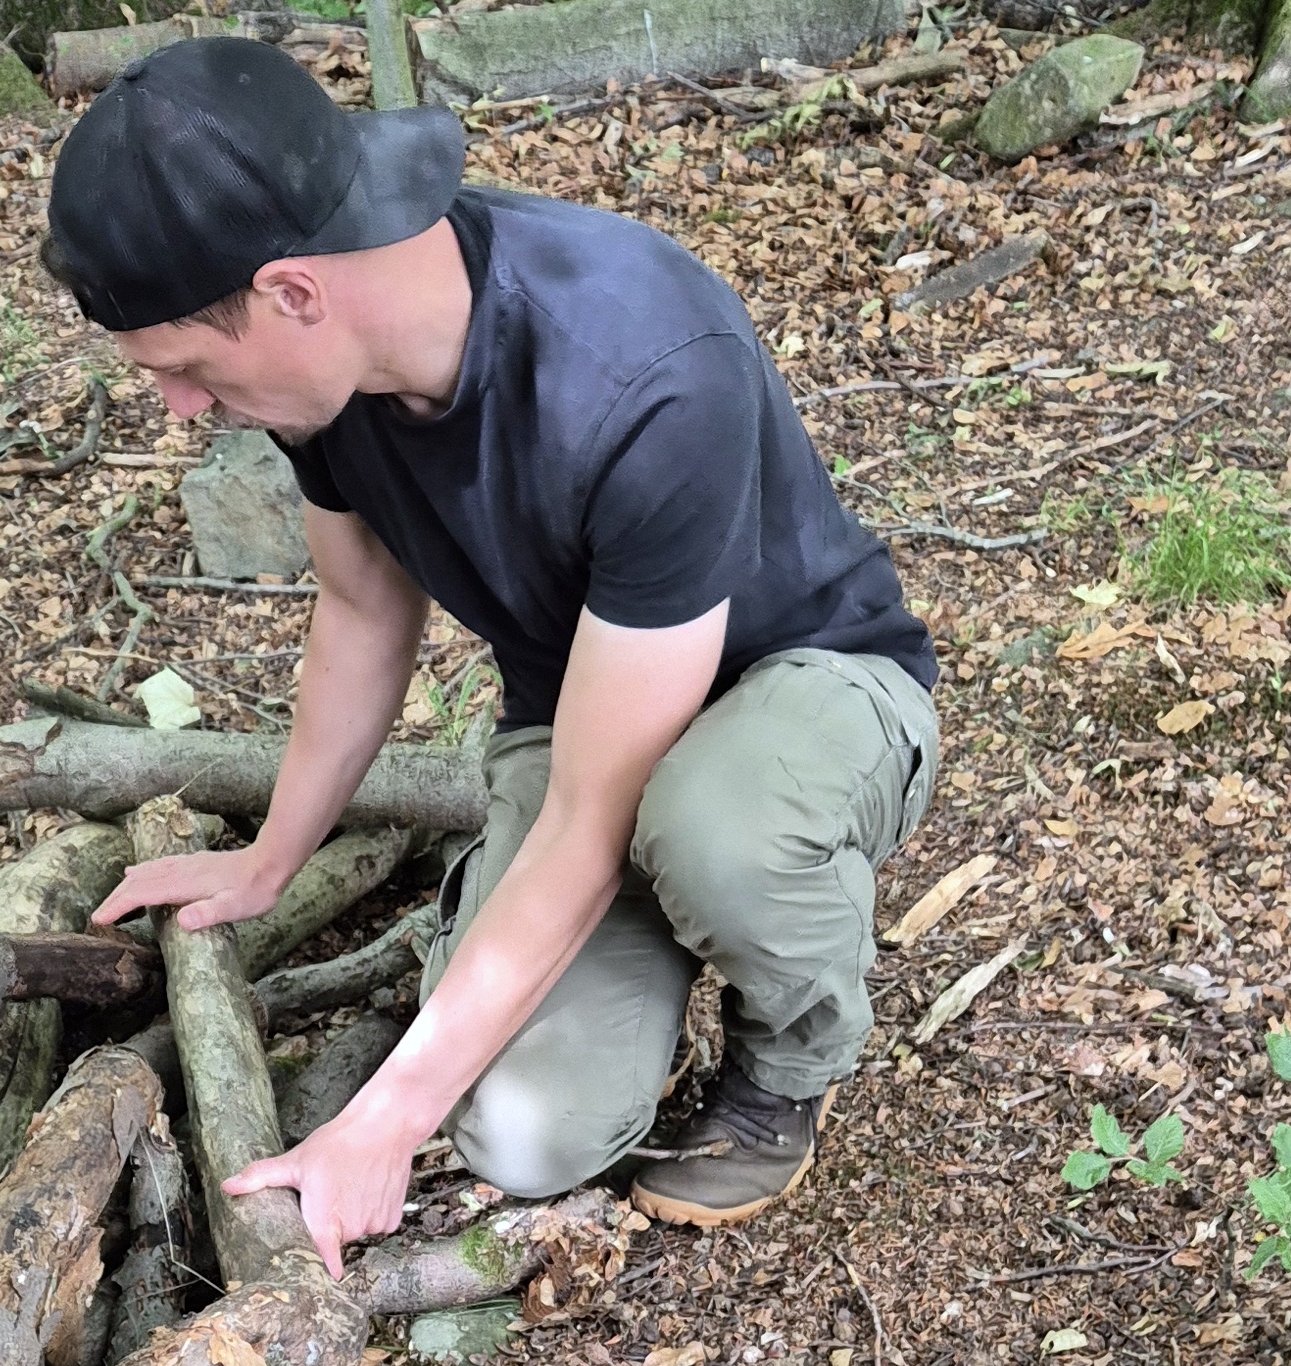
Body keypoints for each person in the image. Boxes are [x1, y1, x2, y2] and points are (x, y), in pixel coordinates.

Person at [58, 37, 939, 1278]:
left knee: (714, 828)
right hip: (586, 705)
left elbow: (591, 814)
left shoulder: (641, 369)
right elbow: (363, 610)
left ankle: (786, 1052)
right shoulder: (329, 377)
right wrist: (269, 858)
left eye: (190, 369)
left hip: (809, 685)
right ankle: (673, 919)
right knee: (524, 1134)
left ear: (292, 292)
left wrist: (380, 1119)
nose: (182, 410)